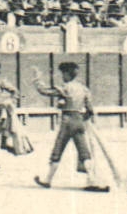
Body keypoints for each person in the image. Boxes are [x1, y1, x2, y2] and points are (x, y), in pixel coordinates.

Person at [32, 61, 100, 190]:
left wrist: (37, 79)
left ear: (67, 74)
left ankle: (47, 180)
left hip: (67, 121)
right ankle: (92, 180)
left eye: (63, 74)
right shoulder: (83, 88)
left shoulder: (65, 88)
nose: (62, 76)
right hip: (79, 120)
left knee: (57, 150)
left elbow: (44, 91)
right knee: (84, 151)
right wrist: (82, 118)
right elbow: (90, 110)